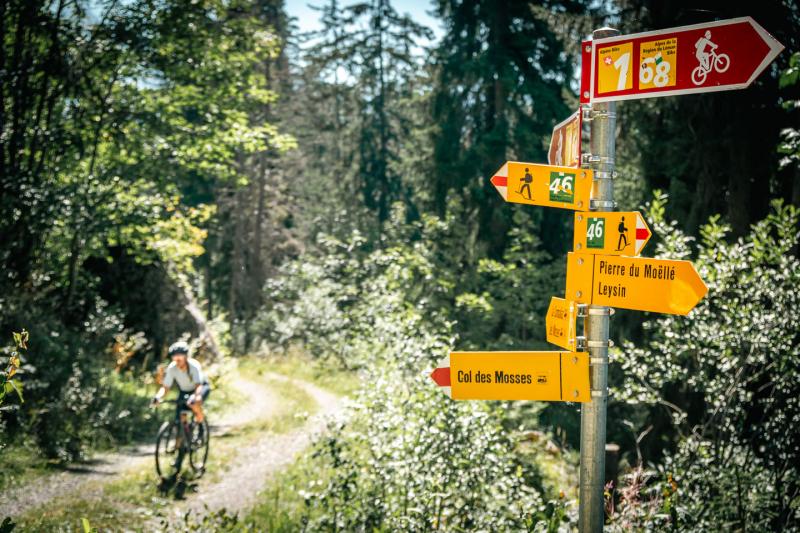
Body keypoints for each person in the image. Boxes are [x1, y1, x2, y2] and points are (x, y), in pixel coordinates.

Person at [152, 341, 210, 429]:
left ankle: (200, 422)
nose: (177, 358)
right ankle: (185, 434)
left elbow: (198, 385)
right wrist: (158, 397)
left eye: (180, 355)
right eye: (174, 355)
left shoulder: (193, 366)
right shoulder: (172, 368)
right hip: (184, 390)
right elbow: (166, 387)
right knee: (181, 416)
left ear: (186, 356)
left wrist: (196, 397)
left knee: (193, 403)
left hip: (200, 387)